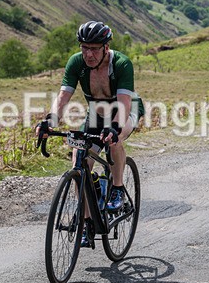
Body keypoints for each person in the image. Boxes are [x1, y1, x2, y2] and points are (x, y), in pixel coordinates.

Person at [35, 20, 144, 246]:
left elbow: (124, 103)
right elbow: (63, 97)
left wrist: (114, 128)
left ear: (106, 47)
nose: (89, 54)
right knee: (79, 160)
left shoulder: (122, 63)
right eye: (84, 47)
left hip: (126, 108)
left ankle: (116, 188)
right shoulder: (77, 63)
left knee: (114, 140)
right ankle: (86, 223)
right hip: (97, 112)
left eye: (94, 48)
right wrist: (49, 122)